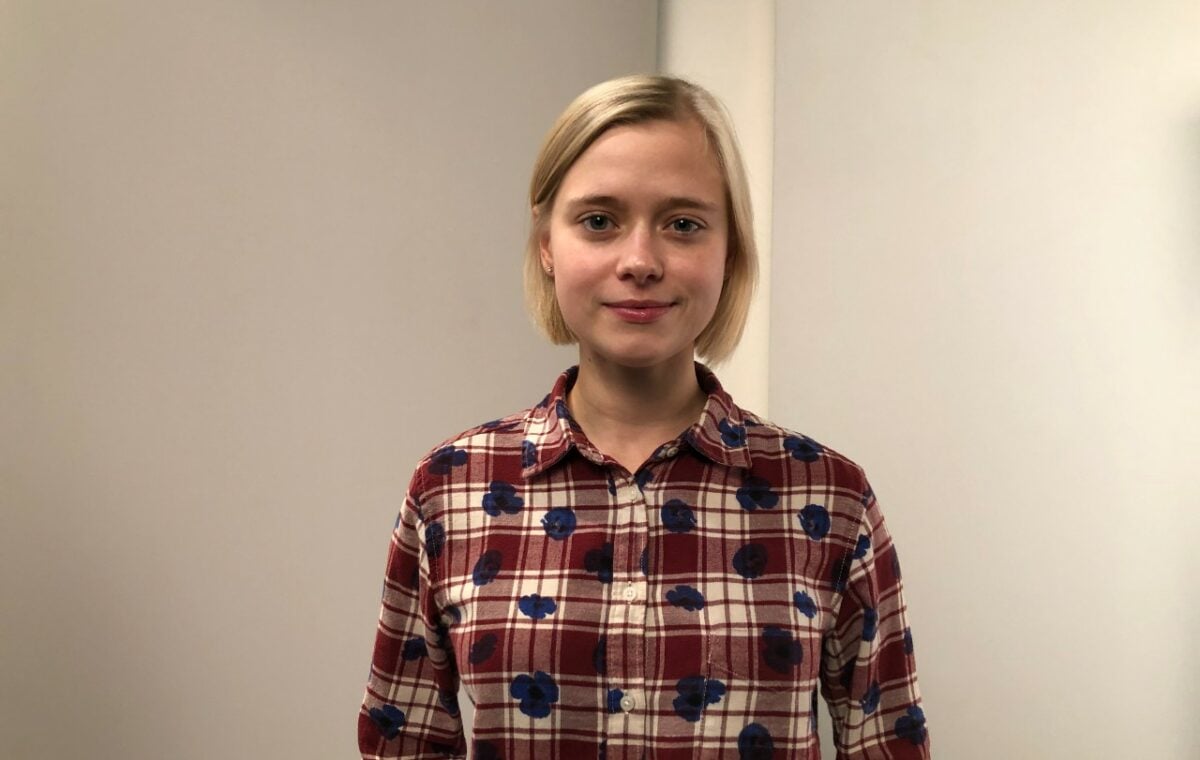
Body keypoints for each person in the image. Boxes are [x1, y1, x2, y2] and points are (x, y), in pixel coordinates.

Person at [358, 75, 930, 760]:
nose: (639, 262)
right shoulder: (452, 488)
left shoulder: (828, 498)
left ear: (729, 249)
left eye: (683, 224)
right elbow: (404, 743)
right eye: (599, 221)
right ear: (547, 245)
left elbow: (888, 745)